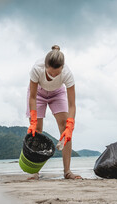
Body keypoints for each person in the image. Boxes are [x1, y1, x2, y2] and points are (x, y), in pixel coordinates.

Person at [26, 45, 82, 180]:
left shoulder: (67, 74)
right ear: (45, 67)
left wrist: (70, 126)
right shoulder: (37, 69)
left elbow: (72, 105)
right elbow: (32, 97)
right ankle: (35, 172)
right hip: (38, 94)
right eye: (50, 73)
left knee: (65, 129)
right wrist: (33, 120)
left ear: (62, 68)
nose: (53, 76)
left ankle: (67, 172)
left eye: (57, 74)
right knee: (37, 130)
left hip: (57, 93)